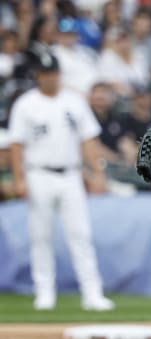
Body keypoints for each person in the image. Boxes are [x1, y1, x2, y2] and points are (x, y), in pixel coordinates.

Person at [8, 52, 114, 311]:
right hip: (38, 173)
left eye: (54, 73)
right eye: (46, 73)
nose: (51, 78)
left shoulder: (74, 102)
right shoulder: (25, 104)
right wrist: (19, 178)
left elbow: (88, 139)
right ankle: (44, 292)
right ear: (38, 76)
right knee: (41, 236)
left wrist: (97, 173)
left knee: (80, 235)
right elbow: (16, 145)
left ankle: (92, 293)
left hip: (71, 174)